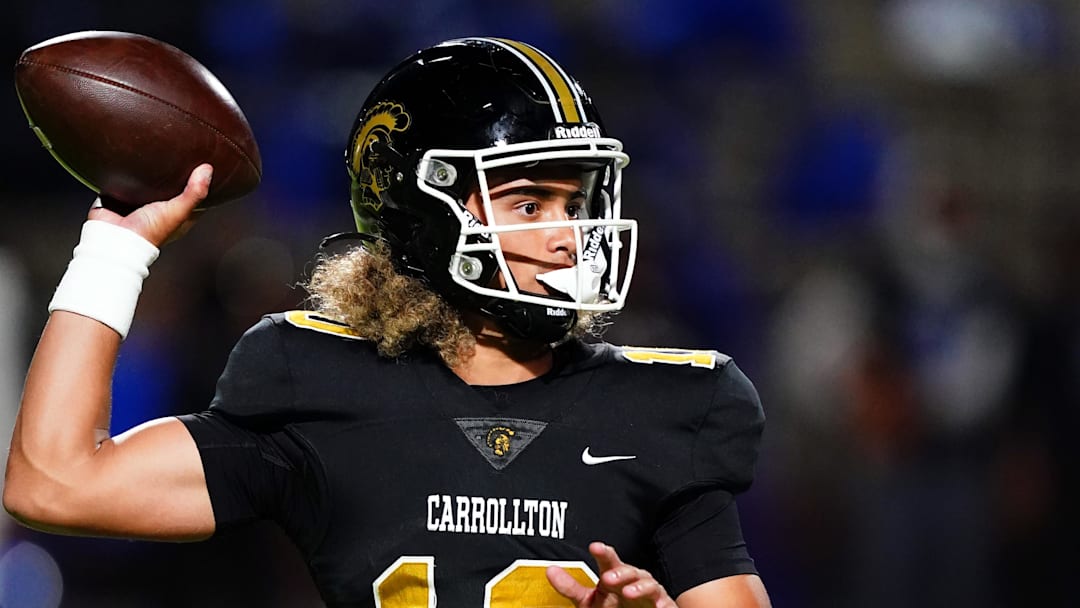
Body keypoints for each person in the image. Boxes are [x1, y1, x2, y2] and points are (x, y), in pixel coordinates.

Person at [3, 37, 770, 607]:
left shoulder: (668, 412)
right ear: (422, 214)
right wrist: (114, 248)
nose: (567, 234)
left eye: (577, 203)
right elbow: (55, 481)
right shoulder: (318, 382)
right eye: (530, 203)